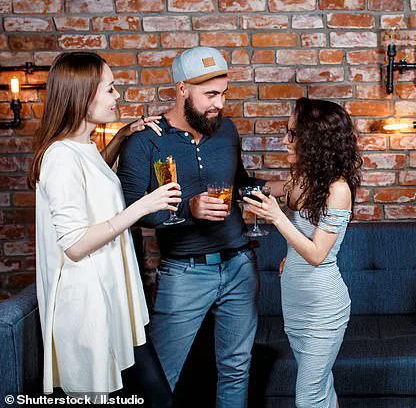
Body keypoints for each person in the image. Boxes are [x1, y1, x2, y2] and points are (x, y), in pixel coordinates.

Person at [116, 46, 269, 407]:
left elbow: (240, 184)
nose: (220, 103)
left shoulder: (226, 131)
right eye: (211, 94)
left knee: (236, 369)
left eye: (224, 93)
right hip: (184, 273)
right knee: (161, 377)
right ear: (182, 89)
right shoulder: (146, 140)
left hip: (239, 266)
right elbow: (130, 212)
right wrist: (189, 209)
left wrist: (289, 188)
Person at [28, 51, 179, 406]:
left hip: (111, 296)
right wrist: (143, 206)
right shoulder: (60, 157)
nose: (117, 96)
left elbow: (96, 178)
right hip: (89, 307)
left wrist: (124, 134)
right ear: (83, 96)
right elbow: (75, 244)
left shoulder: (83, 148)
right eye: (110, 89)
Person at [243, 97, 362, 408]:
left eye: (292, 134)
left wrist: (277, 217)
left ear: (314, 139)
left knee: (308, 398)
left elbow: (318, 254)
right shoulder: (301, 177)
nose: (285, 140)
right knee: (322, 389)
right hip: (295, 302)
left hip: (323, 308)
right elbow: (266, 189)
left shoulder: (338, 189)